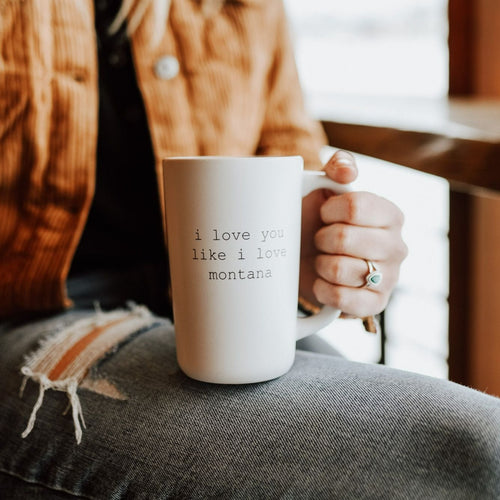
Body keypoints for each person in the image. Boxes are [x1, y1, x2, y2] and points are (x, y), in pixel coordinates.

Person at [0, 0, 498, 498]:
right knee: (463, 450)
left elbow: (295, 159)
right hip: (32, 316)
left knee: (436, 439)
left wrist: (325, 255)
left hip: (223, 311)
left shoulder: (249, 8)